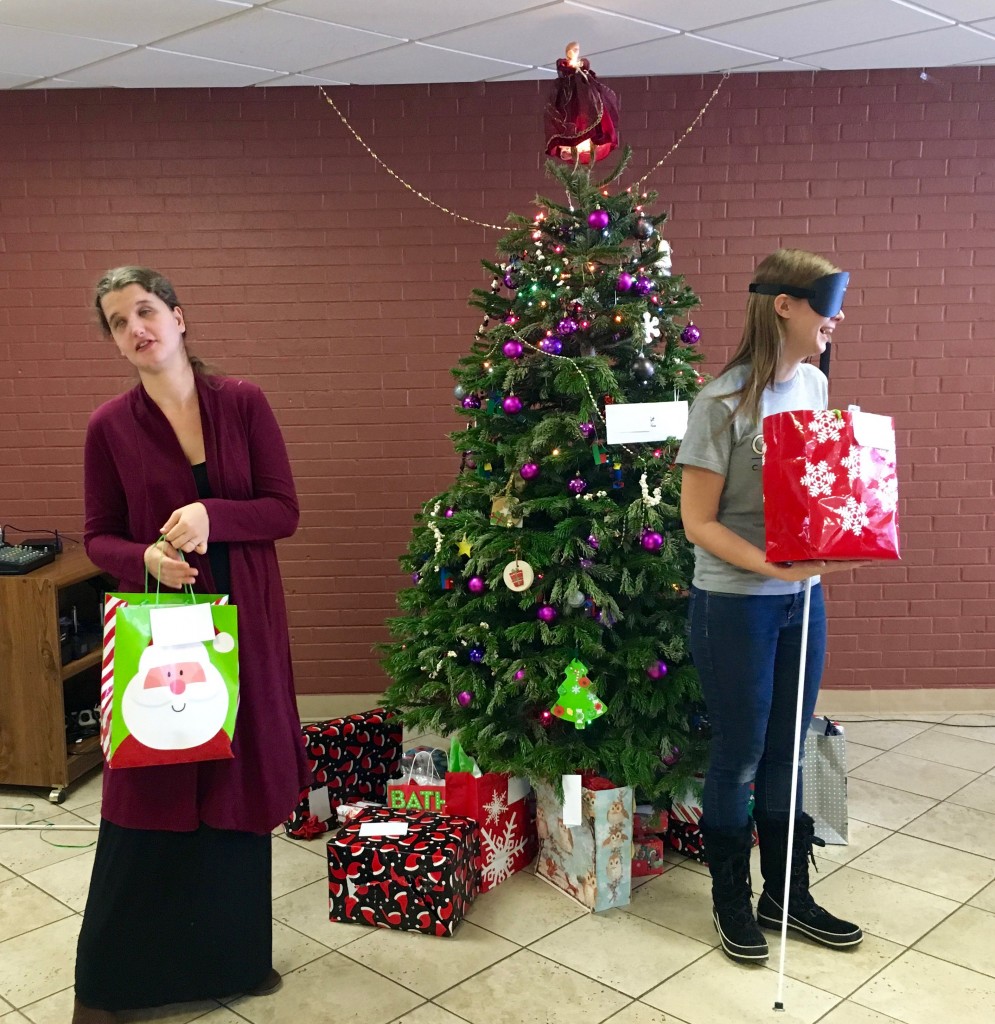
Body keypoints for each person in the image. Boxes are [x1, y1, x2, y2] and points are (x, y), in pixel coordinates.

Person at [74, 267, 311, 1023]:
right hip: (162, 633)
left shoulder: (241, 403)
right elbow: (97, 537)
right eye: (117, 322)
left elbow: (282, 510)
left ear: (178, 316)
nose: (135, 328)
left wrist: (213, 513)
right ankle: (110, 986)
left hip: (246, 627)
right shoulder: (109, 427)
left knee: (234, 796)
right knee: (148, 792)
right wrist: (143, 557)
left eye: (145, 310)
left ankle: (232, 963)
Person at [676, 249, 865, 964]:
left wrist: (835, 542)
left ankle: (784, 894)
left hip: (802, 601)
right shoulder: (719, 403)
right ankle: (730, 903)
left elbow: (811, 491)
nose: (835, 317)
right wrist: (777, 567)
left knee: (790, 747)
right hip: (735, 605)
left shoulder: (813, 385)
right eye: (824, 304)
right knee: (739, 754)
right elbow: (698, 522)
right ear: (783, 305)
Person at [544, 41, 619, 163]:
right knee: (571, 116)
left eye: (577, 49)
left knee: (587, 112)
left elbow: (588, 80)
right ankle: (571, 144)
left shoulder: (583, 69)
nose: (577, 52)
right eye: (575, 50)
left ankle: (587, 140)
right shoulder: (564, 72)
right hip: (570, 100)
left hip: (584, 98)